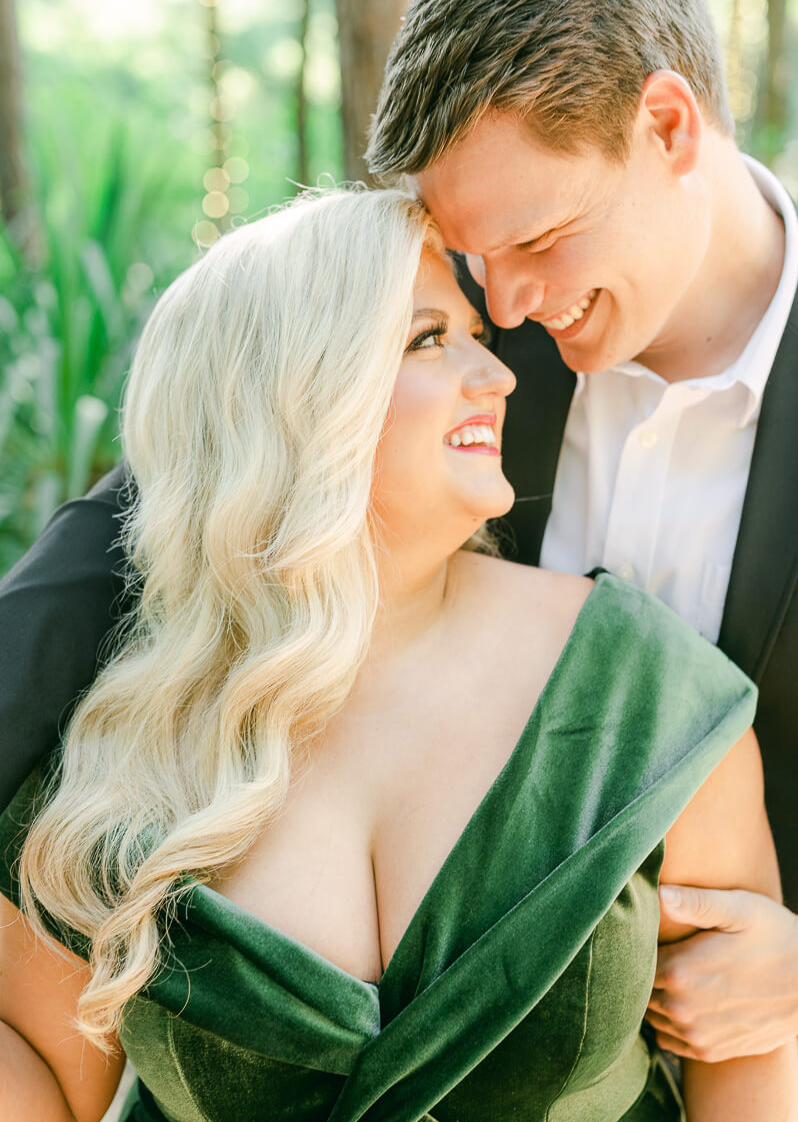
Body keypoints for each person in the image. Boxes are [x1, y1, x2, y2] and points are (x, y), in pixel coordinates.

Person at [0, 187, 794, 1122]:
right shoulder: (127, 721)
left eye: (474, 335)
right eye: (428, 339)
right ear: (296, 398)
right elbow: (50, 1081)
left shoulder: (650, 689)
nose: (498, 376)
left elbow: (753, 1061)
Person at [365, 0, 798, 1066]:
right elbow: (201, 484)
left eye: (542, 239)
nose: (502, 310)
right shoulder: (460, 332)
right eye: (473, 260)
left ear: (667, 126)